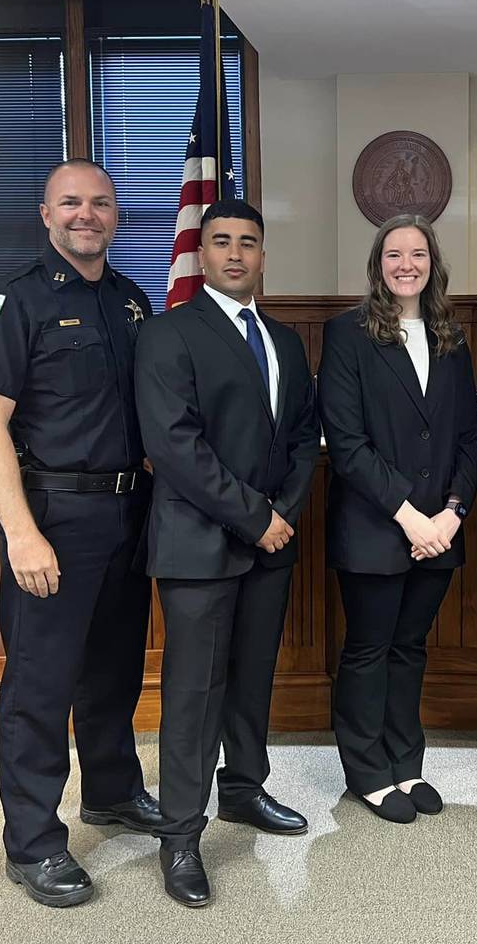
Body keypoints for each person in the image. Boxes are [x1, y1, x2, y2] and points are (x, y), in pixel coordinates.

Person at [0, 159, 162, 908]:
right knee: (39, 686)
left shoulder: (131, 299)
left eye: (100, 203)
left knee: (112, 671)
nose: (87, 214)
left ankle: (110, 792)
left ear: (116, 216)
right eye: (71, 203)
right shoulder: (10, 302)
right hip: (52, 516)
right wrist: (20, 532)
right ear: (45, 214)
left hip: (128, 512)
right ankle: (34, 843)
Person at [134, 198, 320, 908]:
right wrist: (255, 518)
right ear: (200, 254)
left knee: (250, 681)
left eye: (248, 242)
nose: (236, 254)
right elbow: (174, 447)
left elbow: (305, 438)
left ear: (263, 256)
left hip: (270, 543)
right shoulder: (168, 334)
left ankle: (244, 790)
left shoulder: (285, 341)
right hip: (199, 547)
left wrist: (283, 516)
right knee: (194, 694)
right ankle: (180, 835)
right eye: (222, 242)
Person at [318, 215, 477, 824]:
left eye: (417, 253)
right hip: (375, 527)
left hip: (440, 530)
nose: (405, 264)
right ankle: (367, 772)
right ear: (377, 264)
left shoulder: (451, 337)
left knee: (410, 649)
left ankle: (406, 763)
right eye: (394, 254)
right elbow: (348, 442)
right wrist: (411, 518)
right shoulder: (347, 335)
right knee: (369, 649)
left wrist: (451, 515)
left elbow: (468, 435)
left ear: (433, 263)